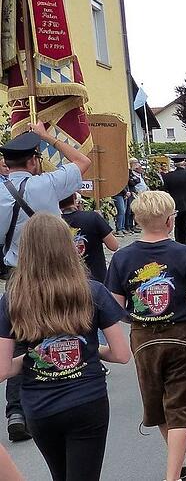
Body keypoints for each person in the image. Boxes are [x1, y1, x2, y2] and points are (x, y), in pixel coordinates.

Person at [0, 214, 131, 481]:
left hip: (39, 405)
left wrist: (37, 356)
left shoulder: (12, 299)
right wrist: (91, 351)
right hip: (87, 399)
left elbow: (2, 369)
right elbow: (122, 354)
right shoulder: (92, 291)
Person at [105, 191, 186, 481]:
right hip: (181, 334)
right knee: (180, 403)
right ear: (169, 219)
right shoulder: (185, 254)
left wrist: (136, 319)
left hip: (144, 338)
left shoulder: (123, 257)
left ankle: (181, 461)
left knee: (158, 402)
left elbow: (115, 306)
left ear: (137, 220)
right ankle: (173, 473)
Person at [0, 123, 91, 442]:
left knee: (19, 340)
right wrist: (47, 135)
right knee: (66, 328)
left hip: (17, 275)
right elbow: (83, 162)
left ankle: (15, 410)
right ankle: (70, 392)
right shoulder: (46, 185)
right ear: (34, 161)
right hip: (57, 271)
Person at [60, 193, 119, 283]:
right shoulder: (92, 217)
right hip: (96, 278)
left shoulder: (55, 222)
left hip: (67, 281)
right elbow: (114, 246)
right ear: (75, 198)